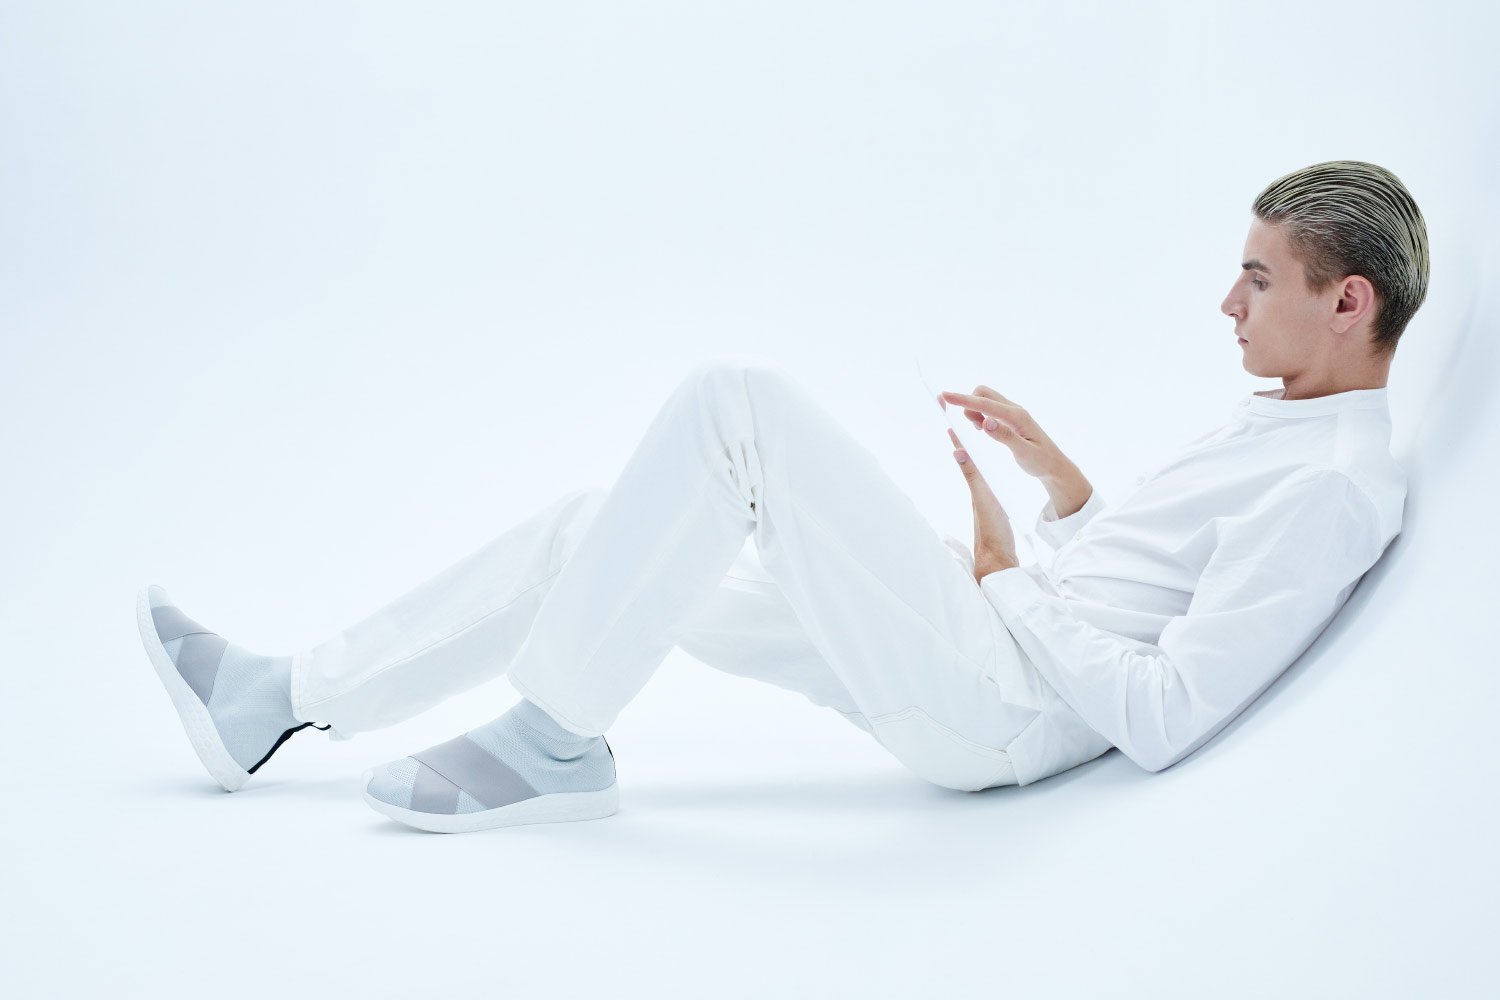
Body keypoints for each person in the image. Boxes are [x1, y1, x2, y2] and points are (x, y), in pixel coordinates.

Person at [136, 159, 1427, 834]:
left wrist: (1002, 579)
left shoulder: (1332, 487)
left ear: (1348, 301)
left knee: (736, 403)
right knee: (602, 529)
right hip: (992, 643)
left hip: (1005, 707)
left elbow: (1165, 714)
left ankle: (553, 744)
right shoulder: (1288, 423)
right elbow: (1147, 592)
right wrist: (1063, 489)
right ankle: (279, 700)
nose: (1227, 302)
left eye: (1259, 278)